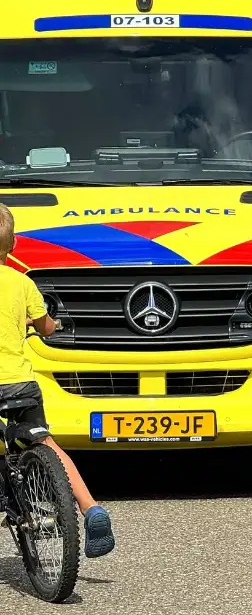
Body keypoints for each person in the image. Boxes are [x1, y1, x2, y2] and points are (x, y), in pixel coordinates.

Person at [0, 203, 115, 559]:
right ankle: (91, 508)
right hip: (19, 384)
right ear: (13, 244)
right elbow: (45, 325)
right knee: (46, 443)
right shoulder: (22, 283)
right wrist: (49, 325)